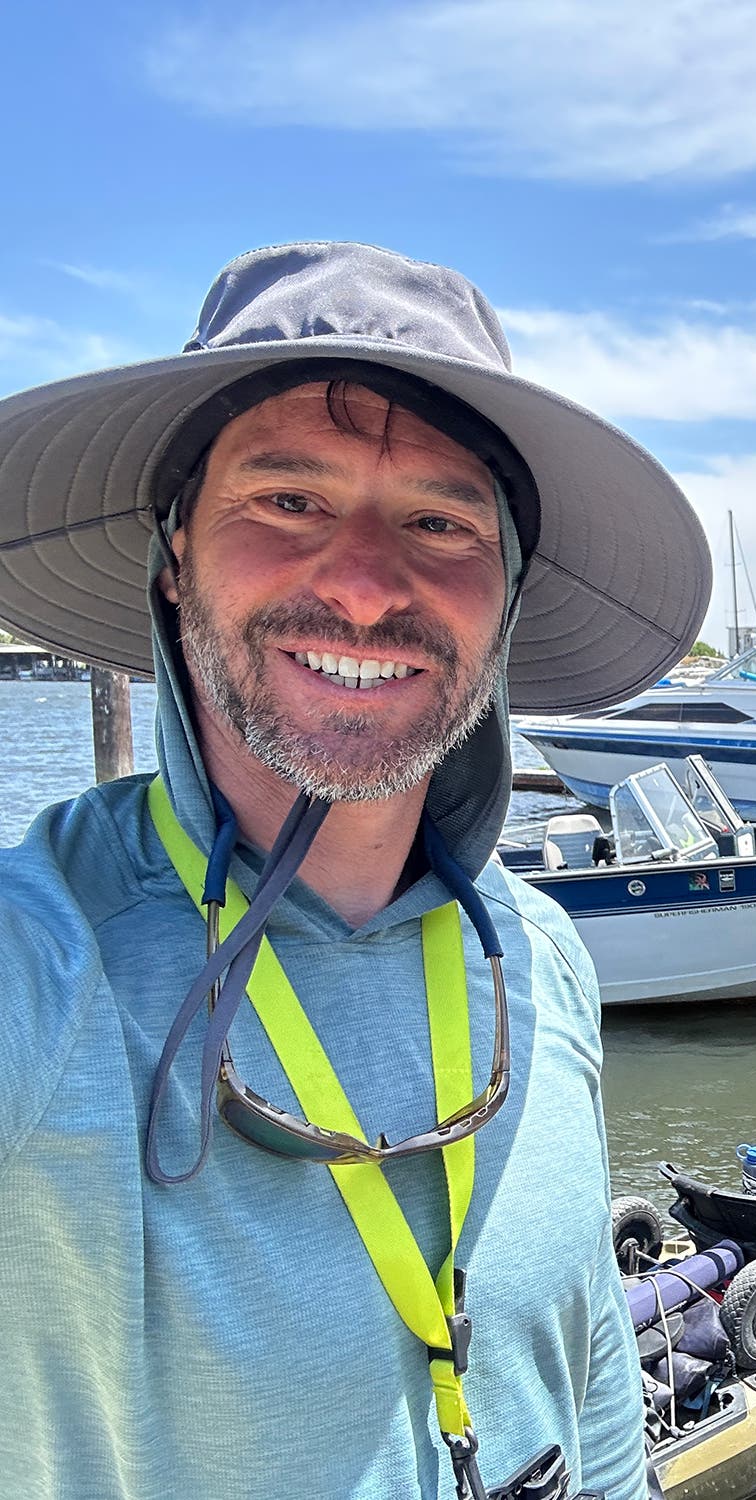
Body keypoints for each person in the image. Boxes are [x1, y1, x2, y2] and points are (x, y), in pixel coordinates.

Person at [0, 242, 711, 1500]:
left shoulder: (541, 955)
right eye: (288, 501)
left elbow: (596, 1395)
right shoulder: (45, 959)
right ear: (175, 559)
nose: (370, 586)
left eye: (441, 522)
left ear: (507, 598)